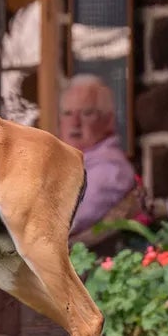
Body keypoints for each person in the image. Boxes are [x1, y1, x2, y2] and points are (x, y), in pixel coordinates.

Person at [60, 73, 137, 240]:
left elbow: (63, 221)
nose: (74, 123)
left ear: (108, 121)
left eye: (86, 113)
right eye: (67, 113)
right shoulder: (70, 163)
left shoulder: (111, 169)